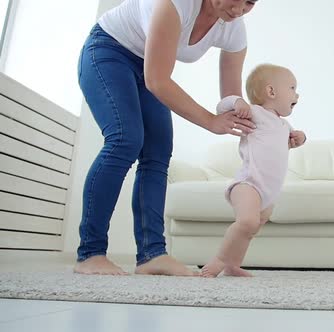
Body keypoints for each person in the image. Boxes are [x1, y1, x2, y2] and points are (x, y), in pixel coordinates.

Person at [74, 0, 272, 276]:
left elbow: (230, 97)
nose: (239, 9)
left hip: (146, 64)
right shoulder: (175, 4)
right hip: (108, 51)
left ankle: (152, 254)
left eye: (250, 2)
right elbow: (157, 80)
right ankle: (90, 253)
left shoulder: (234, 30)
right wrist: (210, 121)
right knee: (125, 139)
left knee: (158, 150)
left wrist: (263, 124)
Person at [201, 64, 306, 277]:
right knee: (247, 222)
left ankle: (233, 265)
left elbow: (282, 145)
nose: (297, 94)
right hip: (249, 184)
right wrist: (237, 102)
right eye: (292, 88)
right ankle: (220, 259)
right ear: (271, 92)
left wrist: (299, 139)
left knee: (251, 230)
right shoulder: (255, 113)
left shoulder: (284, 125)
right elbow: (223, 106)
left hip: (269, 192)